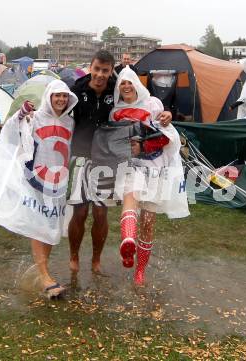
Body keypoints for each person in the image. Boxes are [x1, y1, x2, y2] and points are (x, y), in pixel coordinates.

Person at [68, 50, 173, 274]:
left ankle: (96, 260)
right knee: (79, 211)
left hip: (106, 160)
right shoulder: (76, 89)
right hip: (80, 156)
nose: (100, 74)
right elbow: (57, 108)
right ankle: (74, 257)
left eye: (105, 71)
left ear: (110, 72)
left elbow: (146, 110)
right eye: (96, 69)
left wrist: (167, 114)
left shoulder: (115, 90)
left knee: (100, 212)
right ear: (91, 66)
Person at [0, 80, 78, 298]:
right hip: (36, 181)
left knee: (50, 226)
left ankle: (42, 270)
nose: (61, 100)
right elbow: (11, 129)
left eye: (64, 96)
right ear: (48, 96)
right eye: (57, 95)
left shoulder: (70, 123)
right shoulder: (35, 118)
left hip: (57, 183)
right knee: (39, 224)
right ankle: (45, 276)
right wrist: (21, 114)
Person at [106, 66, 190, 285]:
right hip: (130, 166)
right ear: (118, 87)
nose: (125, 86)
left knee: (148, 222)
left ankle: (140, 271)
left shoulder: (153, 104)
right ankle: (127, 242)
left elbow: (164, 131)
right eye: (121, 83)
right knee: (130, 197)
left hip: (154, 166)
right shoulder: (114, 111)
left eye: (129, 82)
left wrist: (167, 118)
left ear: (136, 83)